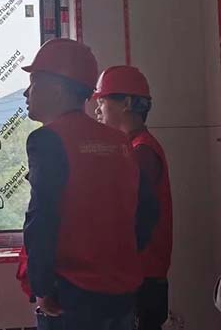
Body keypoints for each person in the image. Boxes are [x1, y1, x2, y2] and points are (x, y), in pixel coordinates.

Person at [19, 38, 147, 330]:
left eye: (34, 82)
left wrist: (42, 287)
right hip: (121, 294)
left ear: (57, 89)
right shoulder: (119, 141)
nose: (27, 93)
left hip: (71, 296)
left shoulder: (47, 140)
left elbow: (42, 216)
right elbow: (145, 213)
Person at [94, 66, 171, 330]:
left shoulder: (141, 153)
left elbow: (131, 218)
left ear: (126, 103)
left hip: (140, 279)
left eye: (102, 101)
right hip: (140, 277)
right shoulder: (135, 148)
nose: (97, 109)